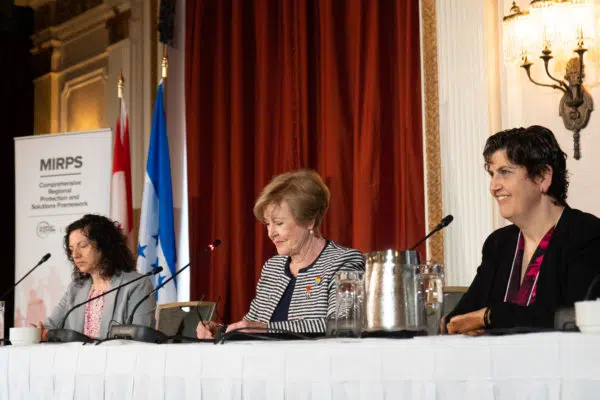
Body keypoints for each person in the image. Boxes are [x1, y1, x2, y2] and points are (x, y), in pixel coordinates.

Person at [444, 125, 600, 335]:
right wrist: (479, 319)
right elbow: (456, 320)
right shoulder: (498, 244)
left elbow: (569, 319)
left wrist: (489, 317)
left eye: (505, 172)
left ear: (542, 177)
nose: (493, 186)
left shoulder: (587, 234)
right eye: (492, 174)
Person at [196, 169, 365, 338]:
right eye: (268, 224)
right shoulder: (273, 267)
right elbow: (252, 324)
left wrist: (267, 329)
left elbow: (343, 323)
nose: (271, 233)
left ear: (309, 221)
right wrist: (220, 330)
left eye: (279, 223)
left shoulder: (344, 261)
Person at [39, 214, 156, 339]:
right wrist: (38, 332)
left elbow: (140, 339)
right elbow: (49, 328)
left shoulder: (137, 285)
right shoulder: (75, 288)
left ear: (104, 246)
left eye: (83, 246)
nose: (75, 255)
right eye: (71, 249)